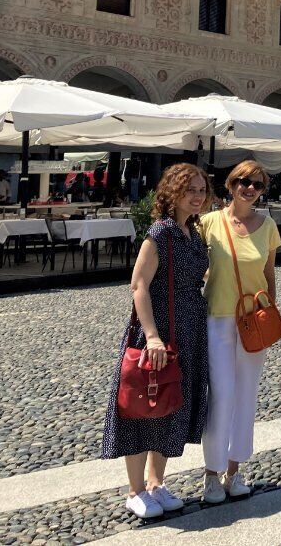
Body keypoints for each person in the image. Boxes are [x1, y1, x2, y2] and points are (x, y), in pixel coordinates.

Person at [102, 163, 212, 519]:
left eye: (201, 190)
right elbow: (139, 285)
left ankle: (155, 483)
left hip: (189, 331)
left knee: (170, 404)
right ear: (172, 193)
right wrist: (151, 336)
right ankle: (135, 490)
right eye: (189, 189)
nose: (197, 196)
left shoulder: (192, 233)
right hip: (159, 332)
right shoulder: (160, 233)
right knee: (142, 405)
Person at [198, 160, 281, 504]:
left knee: (246, 395)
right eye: (243, 182)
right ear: (230, 185)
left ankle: (234, 470)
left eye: (258, 184)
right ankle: (210, 474)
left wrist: (271, 314)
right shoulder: (208, 223)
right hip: (218, 317)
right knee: (221, 395)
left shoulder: (268, 226)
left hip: (254, 320)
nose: (250, 188)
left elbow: (270, 275)